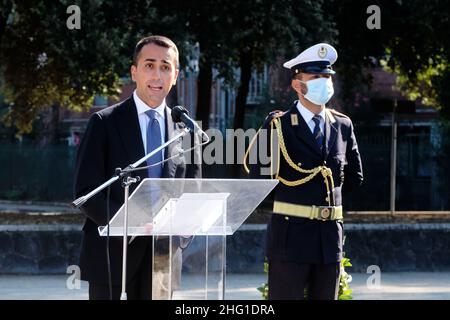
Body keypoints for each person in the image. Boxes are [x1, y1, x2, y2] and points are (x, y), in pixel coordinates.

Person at [74, 35, 201, 300]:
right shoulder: (104, 123)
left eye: (165, 67)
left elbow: (193, 191)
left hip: (163, 261)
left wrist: (181, 235)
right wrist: (129, 225)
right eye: (149, 65)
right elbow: (86, 191)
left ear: (175, 75)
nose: (157, 75)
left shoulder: (186, 130)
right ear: (134, 71)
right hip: (112, 257)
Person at [244, 43, 363, 300]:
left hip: (329, 241)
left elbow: (353, 178)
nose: (324, 82)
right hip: (290, 241)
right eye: (316, 77)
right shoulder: (278, 126)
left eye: (327, 77)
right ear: (298, 85)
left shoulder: (343, 125)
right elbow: (259, 182)